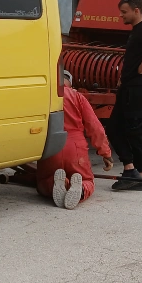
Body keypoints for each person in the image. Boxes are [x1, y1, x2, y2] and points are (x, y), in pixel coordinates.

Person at [33, 70, 114, 209]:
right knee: (88, 180)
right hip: (76, 148)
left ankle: (58, 183)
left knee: (42, 182)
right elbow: (95, 127)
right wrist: (105, 153)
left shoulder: (44, 96)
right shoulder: (77, 96)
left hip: (51, 146)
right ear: (69, 83)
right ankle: (81, 189)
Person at [107, 0, 142, 191]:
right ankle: (134, 173)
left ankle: (135, 172)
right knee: (119, 128)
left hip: (137, 88)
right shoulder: (137, 30)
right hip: (130, 86)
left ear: (136, 11)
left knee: (130, 130)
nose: (121, 15)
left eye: (124, 12)